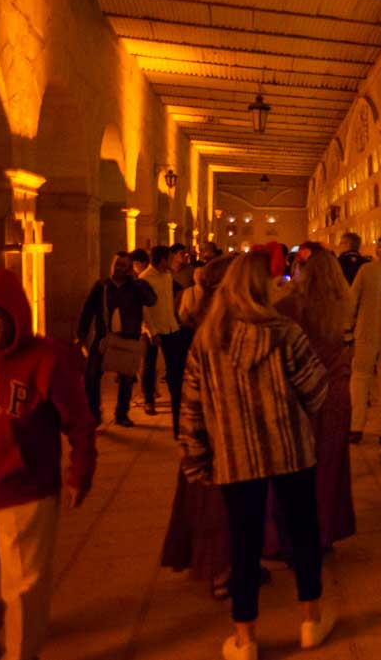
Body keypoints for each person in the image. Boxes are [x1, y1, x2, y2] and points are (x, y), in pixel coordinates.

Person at [180, 248, 335, 660]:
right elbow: (316, 391)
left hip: (235, 455)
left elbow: (192, 408)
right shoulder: (286, 333)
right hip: (291, 451)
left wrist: (197, 458)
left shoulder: (207, 340)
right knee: (303, 534)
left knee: (243, 543)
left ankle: (245, 637)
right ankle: (311, 619)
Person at [0, 268, 97, 660]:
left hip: (25, 491)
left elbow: (79, 422)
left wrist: (80, 471)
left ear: (13, 315)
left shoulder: (46, 358)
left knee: (23, 587)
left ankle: (21, 653)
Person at [161, 255, 239, 600]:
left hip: (208, 432)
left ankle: (222, 566)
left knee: (212, 505)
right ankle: (221, 571)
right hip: (219, 433)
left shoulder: (206, 322)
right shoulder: (220, 329)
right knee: (219, 507)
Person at [274, 245, 356, 550]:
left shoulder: (290, 306)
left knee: (296, 468)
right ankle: (324, 530)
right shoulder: (342, 303)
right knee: (329, 465)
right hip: (335, 393)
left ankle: (295, 537)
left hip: (300, 394)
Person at [76, 251, 156, 426]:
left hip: (128, 338)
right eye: (117, 264)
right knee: (91, 375)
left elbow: (151, 301)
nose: (119, 268)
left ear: (129, 268)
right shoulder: (101, 286)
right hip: (104, 337)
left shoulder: (136, 286)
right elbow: (88, 310)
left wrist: (138, 283)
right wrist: (81, 335)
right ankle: (94, 413)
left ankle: (122, 414)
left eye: (123, 265)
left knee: (126, 378)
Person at [348, 235, 381, 446]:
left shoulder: (366, 270)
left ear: (377, 250)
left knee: (360, 379)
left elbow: (353, 300)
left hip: (365, 332)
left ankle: (356, 426)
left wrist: (348, 329)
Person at [139, 246, 182, 423]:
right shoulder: (144, 278)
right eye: (170, 258)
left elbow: (169, 301)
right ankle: (149, 400)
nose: (173, 261)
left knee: (174, 365)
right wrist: (152, 331)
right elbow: (144, 308)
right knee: (149, 365)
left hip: (170, 327)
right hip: (152, 329)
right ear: (163, 260)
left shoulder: (167, 276)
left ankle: (176, 397)